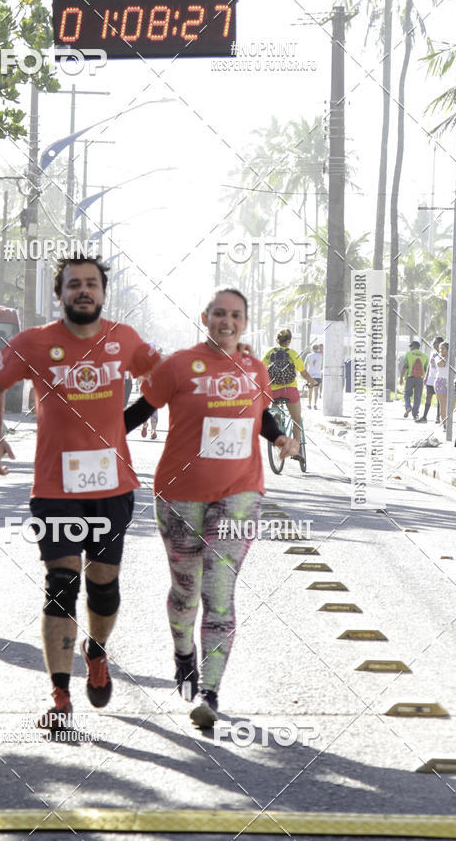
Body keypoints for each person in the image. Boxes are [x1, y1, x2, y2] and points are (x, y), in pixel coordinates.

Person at [0, 255, 161, 729]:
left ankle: (96, 651)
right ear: (59, 293)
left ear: (104, 292)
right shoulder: (34, 343)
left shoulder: (125, 339)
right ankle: (60, 694)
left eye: (92, 284)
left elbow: (162, 382)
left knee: (104, 588)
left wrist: (128, 424)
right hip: (55, 488)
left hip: (113, 486)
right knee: (62, 585)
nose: (84, 291)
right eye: (74, 284)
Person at [128, 289, 297, 728]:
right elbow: (139, 410)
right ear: (205, 317)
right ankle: (184, 654)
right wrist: (91, 434)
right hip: (179, 492)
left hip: (240, 492)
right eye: (219, 313)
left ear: (244, 322)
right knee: (185, 590)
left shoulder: (254, 367)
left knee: (218, 591)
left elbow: (260, 416)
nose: (227, 321)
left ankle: (210, 692)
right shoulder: (179, 365)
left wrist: (280, 439)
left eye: (235, 315)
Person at [262, 329, 317, 445]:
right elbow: (304, 373)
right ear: (289, 341)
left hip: (273, 391)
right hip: (290, 391)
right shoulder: (292, 353)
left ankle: (276, 420)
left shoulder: (270, 353)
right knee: (296, 419)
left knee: (275, 405)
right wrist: (312, 382)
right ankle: (296, 448)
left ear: (278, 340)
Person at [399, 340, 428, 421]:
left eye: (411, 346)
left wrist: (401, 378)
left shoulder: (408, 354)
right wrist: (426, 379)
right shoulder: (424, 356)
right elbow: (426, 369)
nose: (410, 348)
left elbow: (405, 367)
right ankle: (415, 414)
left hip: (410, 378)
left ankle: (408, 407)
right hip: (420, 379)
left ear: (413, 346)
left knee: (407, 394)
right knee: (417, 397)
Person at [418, 336, 444, 423]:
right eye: (433, 342)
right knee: (428, 397)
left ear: (440, 343)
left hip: (439, 379)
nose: (434, 343)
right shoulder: (432, 353)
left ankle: (438, 417)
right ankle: (424, 417)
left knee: (439, 398)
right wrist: (426, 376)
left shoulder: (443, 354)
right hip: (430, 379)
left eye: (436, 342)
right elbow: (429, 365)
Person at [434, 341, 450, 429]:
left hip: (451, 382)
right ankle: (445, 424)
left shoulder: (454, 359)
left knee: (451, 405)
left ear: (448, 349)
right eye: (440, 348)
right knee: (443, 404)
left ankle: (449, 421)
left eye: (443, 348)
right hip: (440, 381)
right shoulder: (438, 357)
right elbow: (441, 364)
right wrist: (446, 357)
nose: (441, 350)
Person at [305, 344, 323, 410]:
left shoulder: (308, 356)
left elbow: (305, 365)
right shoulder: (321, 356)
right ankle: (315, 404)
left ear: (312, 349)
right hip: (318, 375)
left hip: (310, 376)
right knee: (316, 390)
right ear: (318, 349)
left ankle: (309, 405)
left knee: (310, 390)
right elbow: (321, 367)